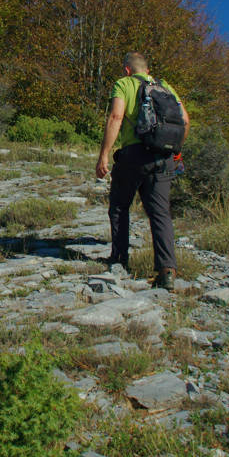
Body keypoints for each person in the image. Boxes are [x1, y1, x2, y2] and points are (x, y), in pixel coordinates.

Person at [95, 52, 190, 290]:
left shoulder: (124, 84)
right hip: (164, 156)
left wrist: (104, 154)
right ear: (147, 70)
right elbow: (185, 120)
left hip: (134, 155)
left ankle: (119, 259)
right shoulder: (164, 86)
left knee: (119, 206)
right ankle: (167, 270)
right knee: (160, 212)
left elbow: (117, 116)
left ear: (127, 69)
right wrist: (176, 151)